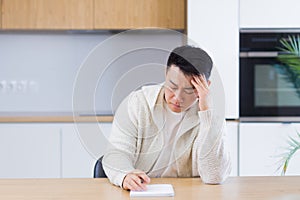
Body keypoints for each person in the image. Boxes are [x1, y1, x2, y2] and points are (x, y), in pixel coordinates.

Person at [103, 45, 231, 191]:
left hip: (188, 194)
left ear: (205, 87)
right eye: (172, 86)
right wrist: (125, 175)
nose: (177, 98)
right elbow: (116, 153)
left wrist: (207, 114)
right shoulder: (138, 103)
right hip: (143, 192)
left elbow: (214, 176)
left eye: (189, 90)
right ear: (166, 74)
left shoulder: (212, 115)